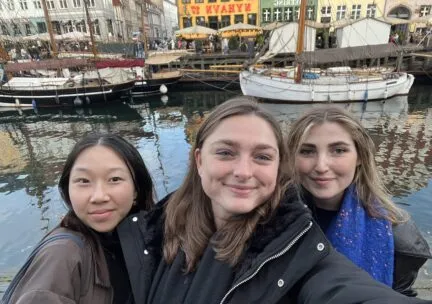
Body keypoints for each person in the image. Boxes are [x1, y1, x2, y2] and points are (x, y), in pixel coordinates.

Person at [117, 97, 430, 304]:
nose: (243, 172)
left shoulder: (294, 240)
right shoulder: (148, 232)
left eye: (262, 156)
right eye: (226, 152)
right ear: (198, 160)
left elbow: (342, 286)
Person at [286, 105, 431, 297]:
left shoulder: (399, 235)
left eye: (338, 150)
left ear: (360, 156)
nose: (321, 166)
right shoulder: (272, 219)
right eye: (306, 151)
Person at [5, 133, 155, 303]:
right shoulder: (61, 255)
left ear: (136, 189)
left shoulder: (144, 237)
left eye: (114, 179)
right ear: (67, 189)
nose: (99, 196)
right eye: (84, 181)